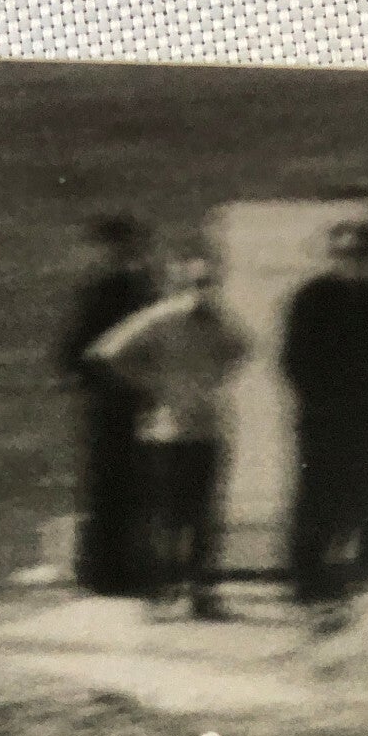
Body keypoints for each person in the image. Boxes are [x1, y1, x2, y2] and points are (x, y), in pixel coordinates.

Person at [86, 255, 249, 620]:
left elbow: (242, 349)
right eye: (194, 283)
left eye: (208, 282)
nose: (202, 291)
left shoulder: (220, 322)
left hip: (208, 429)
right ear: (180, 285)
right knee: (165, 514)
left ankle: (201, 592)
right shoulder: (160, 319)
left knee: (205, 513)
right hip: (167, 432)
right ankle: (159, 593)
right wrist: (151, 384)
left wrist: (212, 383)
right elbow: (108, 352)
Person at [279, 218, 368, 616]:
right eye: (344, 254)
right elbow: (294, 360)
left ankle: (350, 577)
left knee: (362, 495)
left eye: (361, 254)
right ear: (332, 255)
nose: (353, 261)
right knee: (317, 497)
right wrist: (320, 403)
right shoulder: (312, 297)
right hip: (324, 419)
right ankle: (307, 582)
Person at [55, 214, 159, 595]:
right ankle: (111, 570)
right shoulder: (121, 287)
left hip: (117, 398)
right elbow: (76, 350)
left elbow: (70, 354)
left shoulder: (118, 286)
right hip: (119, 399)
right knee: (115, 483)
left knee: (116, 483)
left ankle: (111, 568)